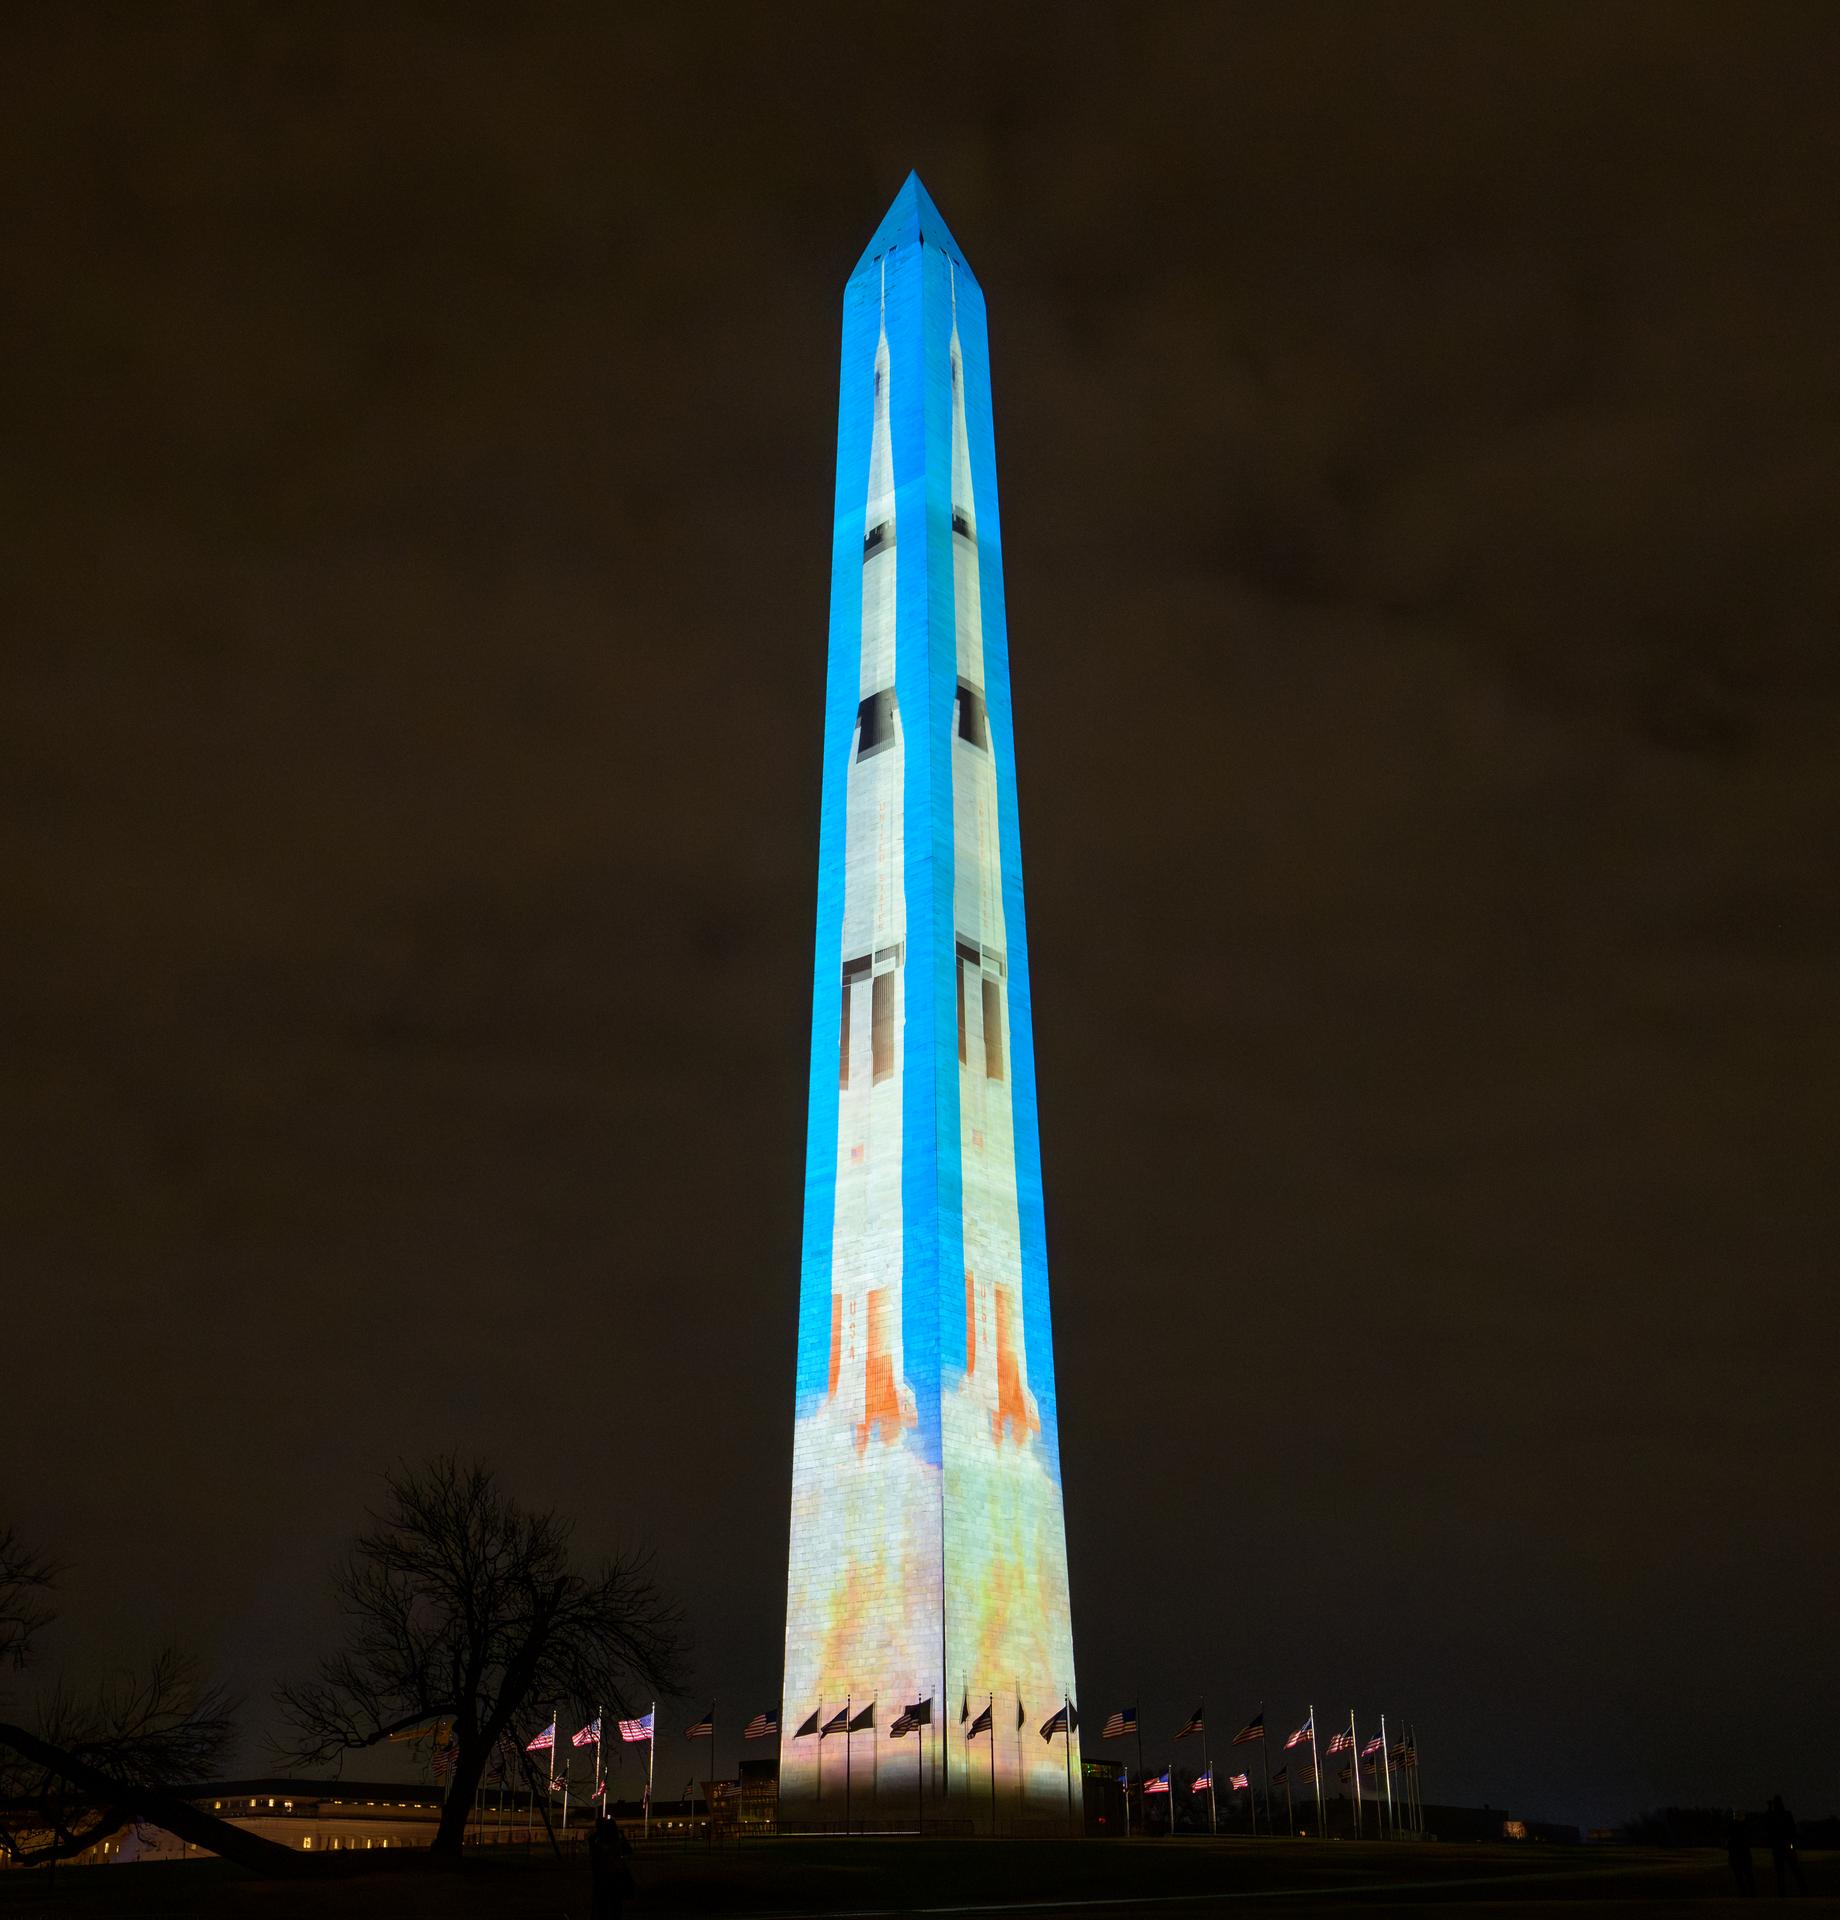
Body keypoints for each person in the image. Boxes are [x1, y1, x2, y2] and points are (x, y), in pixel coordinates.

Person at [589, 1811, 635, 1920]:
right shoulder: (611, 1840)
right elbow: (628, 1851)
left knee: (605, 1904)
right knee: (614, 1904)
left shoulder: (598, 1840)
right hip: (613, 1874)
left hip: (605, 1875)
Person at [1764, 1796, 1804, 1898]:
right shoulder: (1779, 1815)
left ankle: (1801, 1891)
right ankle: (1787, 1893)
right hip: (1780, 1846)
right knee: (1784, 1871)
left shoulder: (1784, 1814)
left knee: (1791, 1870)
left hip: (1784, 1845)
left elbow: (1791, 1829)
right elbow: (1768, 1824)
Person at [1728, 1810, 1755, 1896]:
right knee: (1746, 1875)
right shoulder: (1743, 1827)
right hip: (1741, 1854)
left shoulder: (1734, 1827)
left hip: (1738, 1854)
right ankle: (1750, 1894)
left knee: (1742, 1876)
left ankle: (1747, 1893)